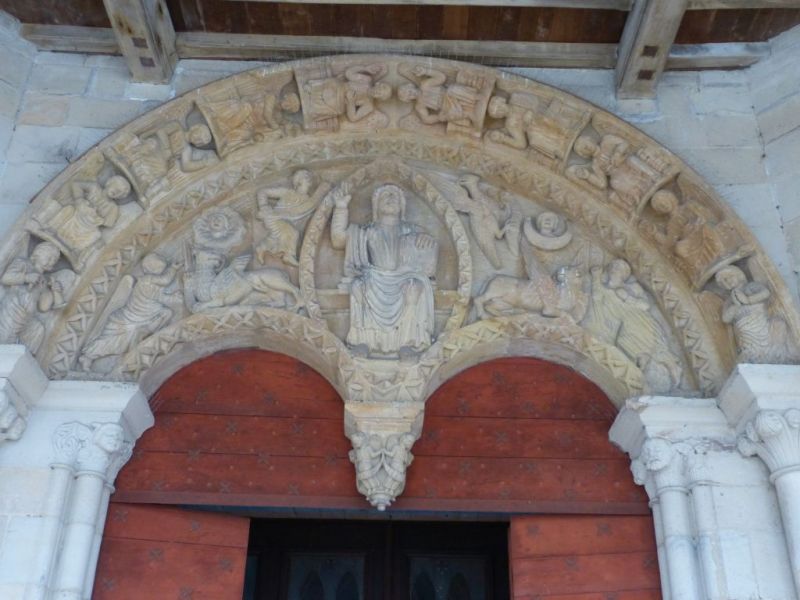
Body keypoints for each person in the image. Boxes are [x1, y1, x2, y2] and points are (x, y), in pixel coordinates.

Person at [330, 184, 438, 357]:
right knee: (359, 286)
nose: (390, 198)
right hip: (374, 277)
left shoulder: (413, 230)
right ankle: (363, 341)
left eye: (394, 196)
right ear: (376, 205)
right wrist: (341, 208)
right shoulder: (365, 231)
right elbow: (337, 239)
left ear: (402, 206)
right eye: (385, 195)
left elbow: (428, 264)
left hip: (405, 277)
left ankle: (409, 342)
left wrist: (427, 240)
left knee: (414, 288)